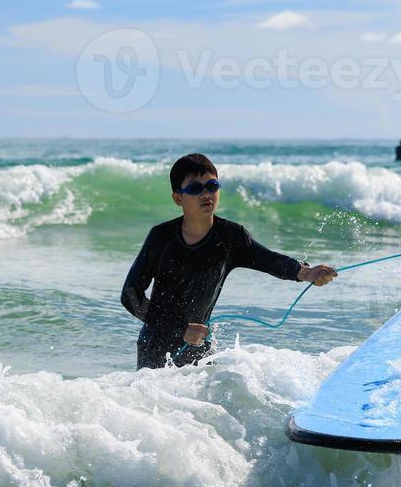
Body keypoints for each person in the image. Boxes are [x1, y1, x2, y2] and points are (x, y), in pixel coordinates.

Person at [122, 153, 338, 370]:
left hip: (199, 348)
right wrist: (181, 328)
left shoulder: (230, 237)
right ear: (178, 197)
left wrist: (306, 272)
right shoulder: (162, 237)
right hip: (157, 349)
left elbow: (270, 260)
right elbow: (131, 295)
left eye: (212, 185)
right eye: (196, 188)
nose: (206, 194)